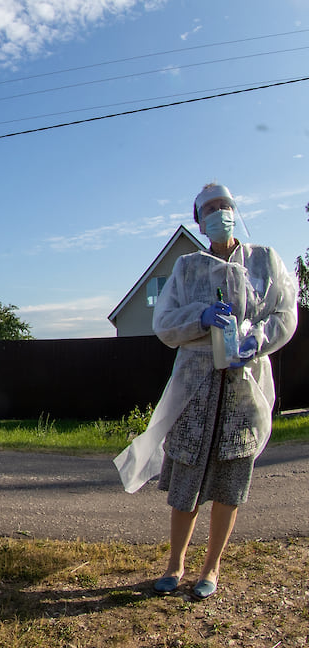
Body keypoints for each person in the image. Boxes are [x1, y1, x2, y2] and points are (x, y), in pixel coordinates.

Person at [114, 183, 297, 600]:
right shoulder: (188, 268)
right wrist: (200, 315)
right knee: (187, 481)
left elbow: (285, 312)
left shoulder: (265, 261)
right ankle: (175, 564)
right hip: (195, 388)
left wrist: (257, 339)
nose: (219, 213)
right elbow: (164, 324)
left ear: (235, 211)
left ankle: (211, 567)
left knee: (230, 482)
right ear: (199, 220)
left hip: (243, 389)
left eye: (225, 206)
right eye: (210, 209)